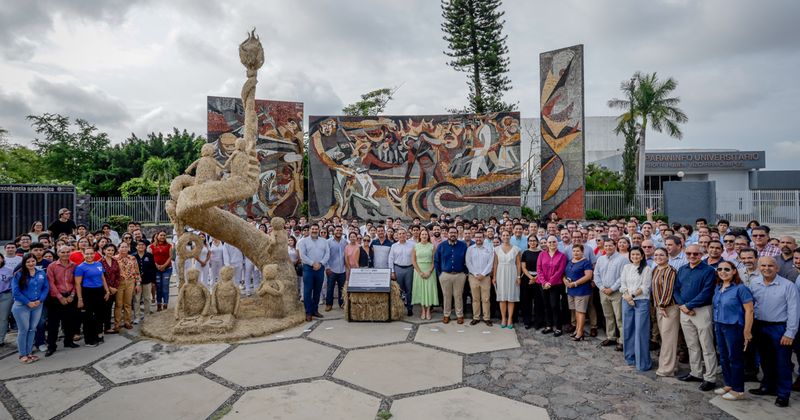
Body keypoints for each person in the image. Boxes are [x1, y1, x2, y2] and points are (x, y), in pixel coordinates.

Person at [748, 257, 798, 407]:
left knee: (782, 363)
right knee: (765, 359)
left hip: (779, 327)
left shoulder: (788, 286)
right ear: (758, 267)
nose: (766, 268)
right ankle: (768, 386)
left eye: (770, 265)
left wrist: (790, 333)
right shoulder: (754, 283)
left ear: (777, 268)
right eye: (763, 265)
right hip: (759, 326)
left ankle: (783, 394)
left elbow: (794, 310)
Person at [675, 244, 718, 392]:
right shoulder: (682, 269)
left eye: (696, 254)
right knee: (692, 344)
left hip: (701, 311)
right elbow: (676, 289)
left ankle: (710, 377)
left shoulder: (709, 271)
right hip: (684, 310)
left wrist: (690, 306)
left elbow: (707, 292)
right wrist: (682, 305)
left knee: (707, 346)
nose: (692, 256)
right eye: (689, 254)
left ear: (702, 254)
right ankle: (696, 372)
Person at [711, 260, 754, 401]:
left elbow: (749, 310)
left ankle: (738, 389)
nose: (723, 272)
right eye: (720, 269)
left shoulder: (741, 288)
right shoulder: (718, 287)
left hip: (734, 326)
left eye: (727, 269)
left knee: (735, 358)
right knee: (723, 356)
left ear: (734, 271)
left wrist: (747, 331)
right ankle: (728, 384)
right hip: (719, 324)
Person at [11, 254, 49, 364]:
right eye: (28, 262)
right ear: (24, 263)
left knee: (32, 329)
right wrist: (28, 302)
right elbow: (16, 292)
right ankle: (22, 354)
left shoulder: (41, 273)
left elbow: (46, 287)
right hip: (22, 306)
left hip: (37, 305)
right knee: (24, 330)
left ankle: (29, 353)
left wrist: (40, 300)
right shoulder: (19, 274)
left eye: (33, 261)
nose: (31, 264)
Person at [620, 247, 653, 371]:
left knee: (640, 331)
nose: (634, 256)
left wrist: (632, 296)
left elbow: (645, 287)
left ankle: (643, 362)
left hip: (641, 301)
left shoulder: (647, 269)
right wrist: (627, 297)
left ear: (642, 256)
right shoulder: (626, 267)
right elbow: (623, 284)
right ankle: (630, 357)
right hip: (626, 300)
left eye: (637, 254)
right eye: (632, 254)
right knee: (628, 329)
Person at [44, 246, 79, 357]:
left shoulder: (74, 265)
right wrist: (60, 297)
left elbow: (76, 282)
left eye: (68, 252)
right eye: (62, 252)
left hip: (70, 296)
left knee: (69, 321)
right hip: (55, 298)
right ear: (58, 253)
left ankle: (68, 342)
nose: (65, 254)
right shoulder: (52, 266)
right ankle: (51, 346)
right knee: (53, 324)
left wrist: (72, 295)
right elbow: (51, 283)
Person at [595, 238, 628, 350]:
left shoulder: (622, 260)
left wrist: (612, 288)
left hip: (616, 292)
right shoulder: (600, 259)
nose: (608, 248)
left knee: (619, 317)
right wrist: (601, 287)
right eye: (606, 246)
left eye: (610, 245)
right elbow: (596, 274)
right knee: (608, 315)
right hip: (603, 291)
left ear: (615, 246)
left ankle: (623, 340)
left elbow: (622, 277)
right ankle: (611, 336)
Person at [651, 248, 679, 377]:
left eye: (661, 255)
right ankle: (670, 365)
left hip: (668, 308)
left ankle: (667, 369)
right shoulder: (656, 269)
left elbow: (669, 289)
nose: (658, 257)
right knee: (666, 337)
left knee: (669, 339)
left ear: (668, 256)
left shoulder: (670, 270)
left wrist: (662, 305)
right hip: (660, 307)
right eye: (656, 255)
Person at [434, 227, 469, 324]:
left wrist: (465, 272)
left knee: (458, 296)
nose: (452, 234)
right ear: (447, 234)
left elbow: (468, 259)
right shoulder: (441, 246)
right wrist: (440, 274)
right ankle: (446, 315)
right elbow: (436, 260)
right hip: (445, 275)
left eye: (454, 232)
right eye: (451, 232)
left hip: (459, 275)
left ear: (457, 234)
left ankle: (459, 315)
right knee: (446, 296)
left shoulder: (463, 246)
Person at [536, 235, 567, 336]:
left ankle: (558, 327)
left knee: (555, 305)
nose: (552, 244)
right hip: (543, 284)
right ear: (547, 244)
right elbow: (539, 269)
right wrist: (544, 282)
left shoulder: (562, 256)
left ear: (557, 243)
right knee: (546, 305)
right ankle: (548, 325)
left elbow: (560, 271)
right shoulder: (541, 255)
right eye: (549, 242)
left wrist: (550, 282)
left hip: (556, 284)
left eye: (554, 242)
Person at [298, 225, 329, 321]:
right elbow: (302, 255)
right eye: (313, 229)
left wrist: (321, 263)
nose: (314, 230)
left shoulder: (324, 241)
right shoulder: (303, 241)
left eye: (316, 229)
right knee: (307, 291)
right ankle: (308, 312)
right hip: (308, 268)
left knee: (317, 290)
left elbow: (327, 254)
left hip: (320, 268)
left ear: (318, 230)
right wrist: (312, 264)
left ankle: (315, 310)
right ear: (309, 230)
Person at [493, 230, 521, 329]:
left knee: (511, 297)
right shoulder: (496, 249)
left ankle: (510, 318)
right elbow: (495, 263)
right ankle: (503, 318)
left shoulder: (516, 249)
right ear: (501, 236)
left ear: (510, 236)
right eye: (503, 235)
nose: (505, 237)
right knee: (502, 297)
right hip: (501, 273)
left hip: (512, 273)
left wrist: (518, 277)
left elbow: (518, 264)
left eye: (507, 235)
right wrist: (494, 277)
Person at [564, 244, 593, 341]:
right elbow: (565, 273)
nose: (575, 253)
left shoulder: (586, 263)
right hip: (571, 290)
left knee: (581, 311)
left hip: (581, 291)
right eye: (574, 251)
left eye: (577, 251)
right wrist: (565, 281)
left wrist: (575, 283)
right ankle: (577, 329)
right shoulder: (569, 261)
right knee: (575, 310)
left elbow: (588, 276)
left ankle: (580, 332)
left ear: (582, 252)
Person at [466, 231, 493, 326]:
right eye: (476, 237)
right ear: (474, 238)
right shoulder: (470, 249)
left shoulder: (488, 249)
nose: (478, 239)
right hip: (473, 277)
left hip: (485, 277)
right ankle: (476, 317)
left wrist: (483, 274)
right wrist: (476, 274)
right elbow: (468, 262)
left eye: (480, 237)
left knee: (486, 299)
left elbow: (490, 262)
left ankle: (486, 318)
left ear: (483, 238)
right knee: (475, 298)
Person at [411, 229, 438, 320]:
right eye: (422, 234)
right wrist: (420, 272)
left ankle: (428, 310)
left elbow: (434, 260)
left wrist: (429, 271)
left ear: (428, 236)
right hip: (419, 271)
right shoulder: (415, 246)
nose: (424, 236)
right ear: (420, 236)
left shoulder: (432, 246)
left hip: (430, 270)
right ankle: (423, 310)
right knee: (421, 291)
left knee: (429, 290)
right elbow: (413, 261)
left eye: (426, 234)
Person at [114, 242, 139, 331]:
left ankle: (127, 322)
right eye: (122, 247)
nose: (124, 249)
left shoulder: (132, 258)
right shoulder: (114, 258)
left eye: (126, 247)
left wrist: (138, 284)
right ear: (118, 248)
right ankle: (117, 323)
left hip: (130, 281)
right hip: (119, 283)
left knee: (128, 303)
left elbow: (136, 271)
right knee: (118, 304)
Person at [520, 236, 544, 330]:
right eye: (530, 241)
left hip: (539, 279)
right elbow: (523, 267)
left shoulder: (541, 253)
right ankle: (527, 321)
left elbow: (542, 267)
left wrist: (536, 278)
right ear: (528, 242)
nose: (532, 242)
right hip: (527, 279)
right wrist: (531, 278)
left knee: (538, 302)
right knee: (526, 301)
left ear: (537, 242)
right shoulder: (525, 253)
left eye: (534, 241)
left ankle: (538, 322)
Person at [133, 240, 156, 323]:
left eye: (142, 245)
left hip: (148, 280)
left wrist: (153, 281)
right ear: (136, 247)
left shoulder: (149, 256)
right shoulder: (133, 256)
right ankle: (137, 317)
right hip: (136, 282)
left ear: (145, 247)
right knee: (137, 299)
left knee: (147, 298)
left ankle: (147, 315)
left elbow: (153, 269)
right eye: (139, 245)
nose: (141, 246)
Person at [325, 226, 347, 311]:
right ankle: (329, 304)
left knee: (342, 288)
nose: (339, 232)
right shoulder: (328, 242)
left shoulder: (345, 242)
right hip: (332, 269)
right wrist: (327, 267)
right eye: (337, 230)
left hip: (342, 269)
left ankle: (342, 303)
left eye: (340, 230)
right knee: (330, 287)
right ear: (333, 231)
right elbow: (326, 256)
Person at [100, 244, 120, 335]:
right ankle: (101, 327)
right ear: (104, 250)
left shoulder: (115, 261)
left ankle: (107, 327)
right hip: (104, 289)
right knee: (103, 308)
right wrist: (109, 288)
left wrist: (115, 287)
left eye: (112, 250)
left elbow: (117, 275)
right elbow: (101, 277)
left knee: (109, 308)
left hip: (114, 289)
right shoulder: (99, 262)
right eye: (108, 250)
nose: (110, 252)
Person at [150, 231, 173, 311]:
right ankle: (159, 304)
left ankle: (165, 304)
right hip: (156, 269)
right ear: (157, 236)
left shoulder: (169, 245)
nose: (162, 237)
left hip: (167, 269)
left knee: (165, 287)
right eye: (161, 235)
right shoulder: (152, 246)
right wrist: (156, 265)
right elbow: (151, 257)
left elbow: (170, 257)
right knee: (158, 287)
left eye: (164, 235)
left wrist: (164, 266)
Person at [0, 254, 13, 347]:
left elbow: (13, 284)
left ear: (2, 259)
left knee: (3, 319)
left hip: (5, 295)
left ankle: (0, 339)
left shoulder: (9, 270)